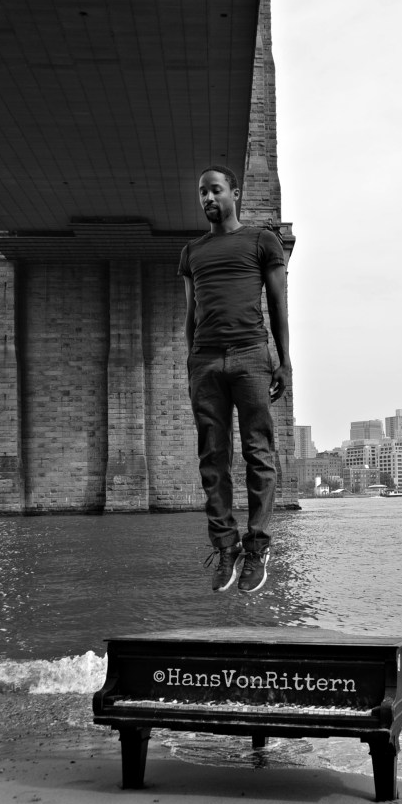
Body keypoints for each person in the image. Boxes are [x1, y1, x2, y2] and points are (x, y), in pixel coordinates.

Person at [179, 165, 291, 593]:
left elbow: (279, 303)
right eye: (202, 192)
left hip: (250, 357)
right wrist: (192, 359)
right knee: (212, 458)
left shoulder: (261, 240)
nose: (208, 198)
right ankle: (226, 547)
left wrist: (285, 362)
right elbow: (192, 312)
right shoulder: (191, 252)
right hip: (206, 362)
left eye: (215, 190)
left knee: (258, 453)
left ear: (235, 194)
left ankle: (257, 547)